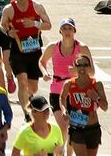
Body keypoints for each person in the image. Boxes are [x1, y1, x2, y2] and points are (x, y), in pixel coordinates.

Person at [0, 0, 52, 119]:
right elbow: (2, 25)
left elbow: (48, 25)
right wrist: (8, 32)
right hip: (18, 52)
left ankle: (29, 100)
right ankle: (27, 113)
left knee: (32, 88)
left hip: (35, 52)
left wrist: (35, 23)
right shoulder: (9, 9)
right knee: (22, 82)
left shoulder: (37, 7)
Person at [40, 17, 93, 146]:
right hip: (57, 91)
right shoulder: (53, 47)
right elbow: (42, 61)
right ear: (60, 31)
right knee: (63, 126)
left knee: (74, 129)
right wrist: (45, 73)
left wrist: (78, 71)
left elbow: (92, 72)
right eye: (64, 28)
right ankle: (60, 152)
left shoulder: (82, 48)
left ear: (74, 30)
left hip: (76, 93)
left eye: (70, 28)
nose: (67, 31)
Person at [60, 54, 108, 156]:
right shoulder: (69, 84)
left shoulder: (96, 84)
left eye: (85, 65)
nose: (82, 68)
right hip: (77, 128)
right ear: (75, 67)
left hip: (93, 128)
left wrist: (96, 98)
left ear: (90, 67)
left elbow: (105, 107)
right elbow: (62, 98)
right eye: (79, 65)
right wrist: (64, 110)